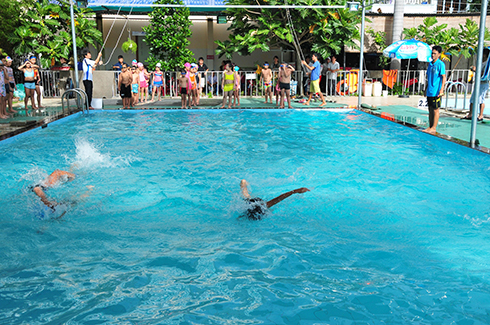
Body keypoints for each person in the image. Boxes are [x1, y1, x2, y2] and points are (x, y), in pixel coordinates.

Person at [238, 179, 310, 220]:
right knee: (245, 194)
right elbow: (280, 198)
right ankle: (243, 182)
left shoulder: (249, 207)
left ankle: (243, 182)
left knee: (246, 195)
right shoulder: (264, 206)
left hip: (250, 204)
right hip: (253, 205)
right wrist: (295, 191)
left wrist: (295, 191)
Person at [462, 49, 490, 122]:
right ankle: (470, 114)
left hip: (483, 83)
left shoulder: (487, 64)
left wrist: (475, 70)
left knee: (481, 99)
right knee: (472, 99)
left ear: (484, 55)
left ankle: (480, 115)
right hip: (478, 83)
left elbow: (484, 74)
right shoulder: (481, 63)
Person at [424, 46, 446, 134]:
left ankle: (434, 127)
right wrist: (426, 88)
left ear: (439, 54)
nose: (433, 55)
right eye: (432, 53)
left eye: (435, 53)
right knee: (430, 109)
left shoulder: (440, 64)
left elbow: (443, 77)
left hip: (436, 91)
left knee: (435, 109)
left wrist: (441, 90)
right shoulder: (430, 64)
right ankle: (430, 126)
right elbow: (428, 77)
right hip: (430, 90)